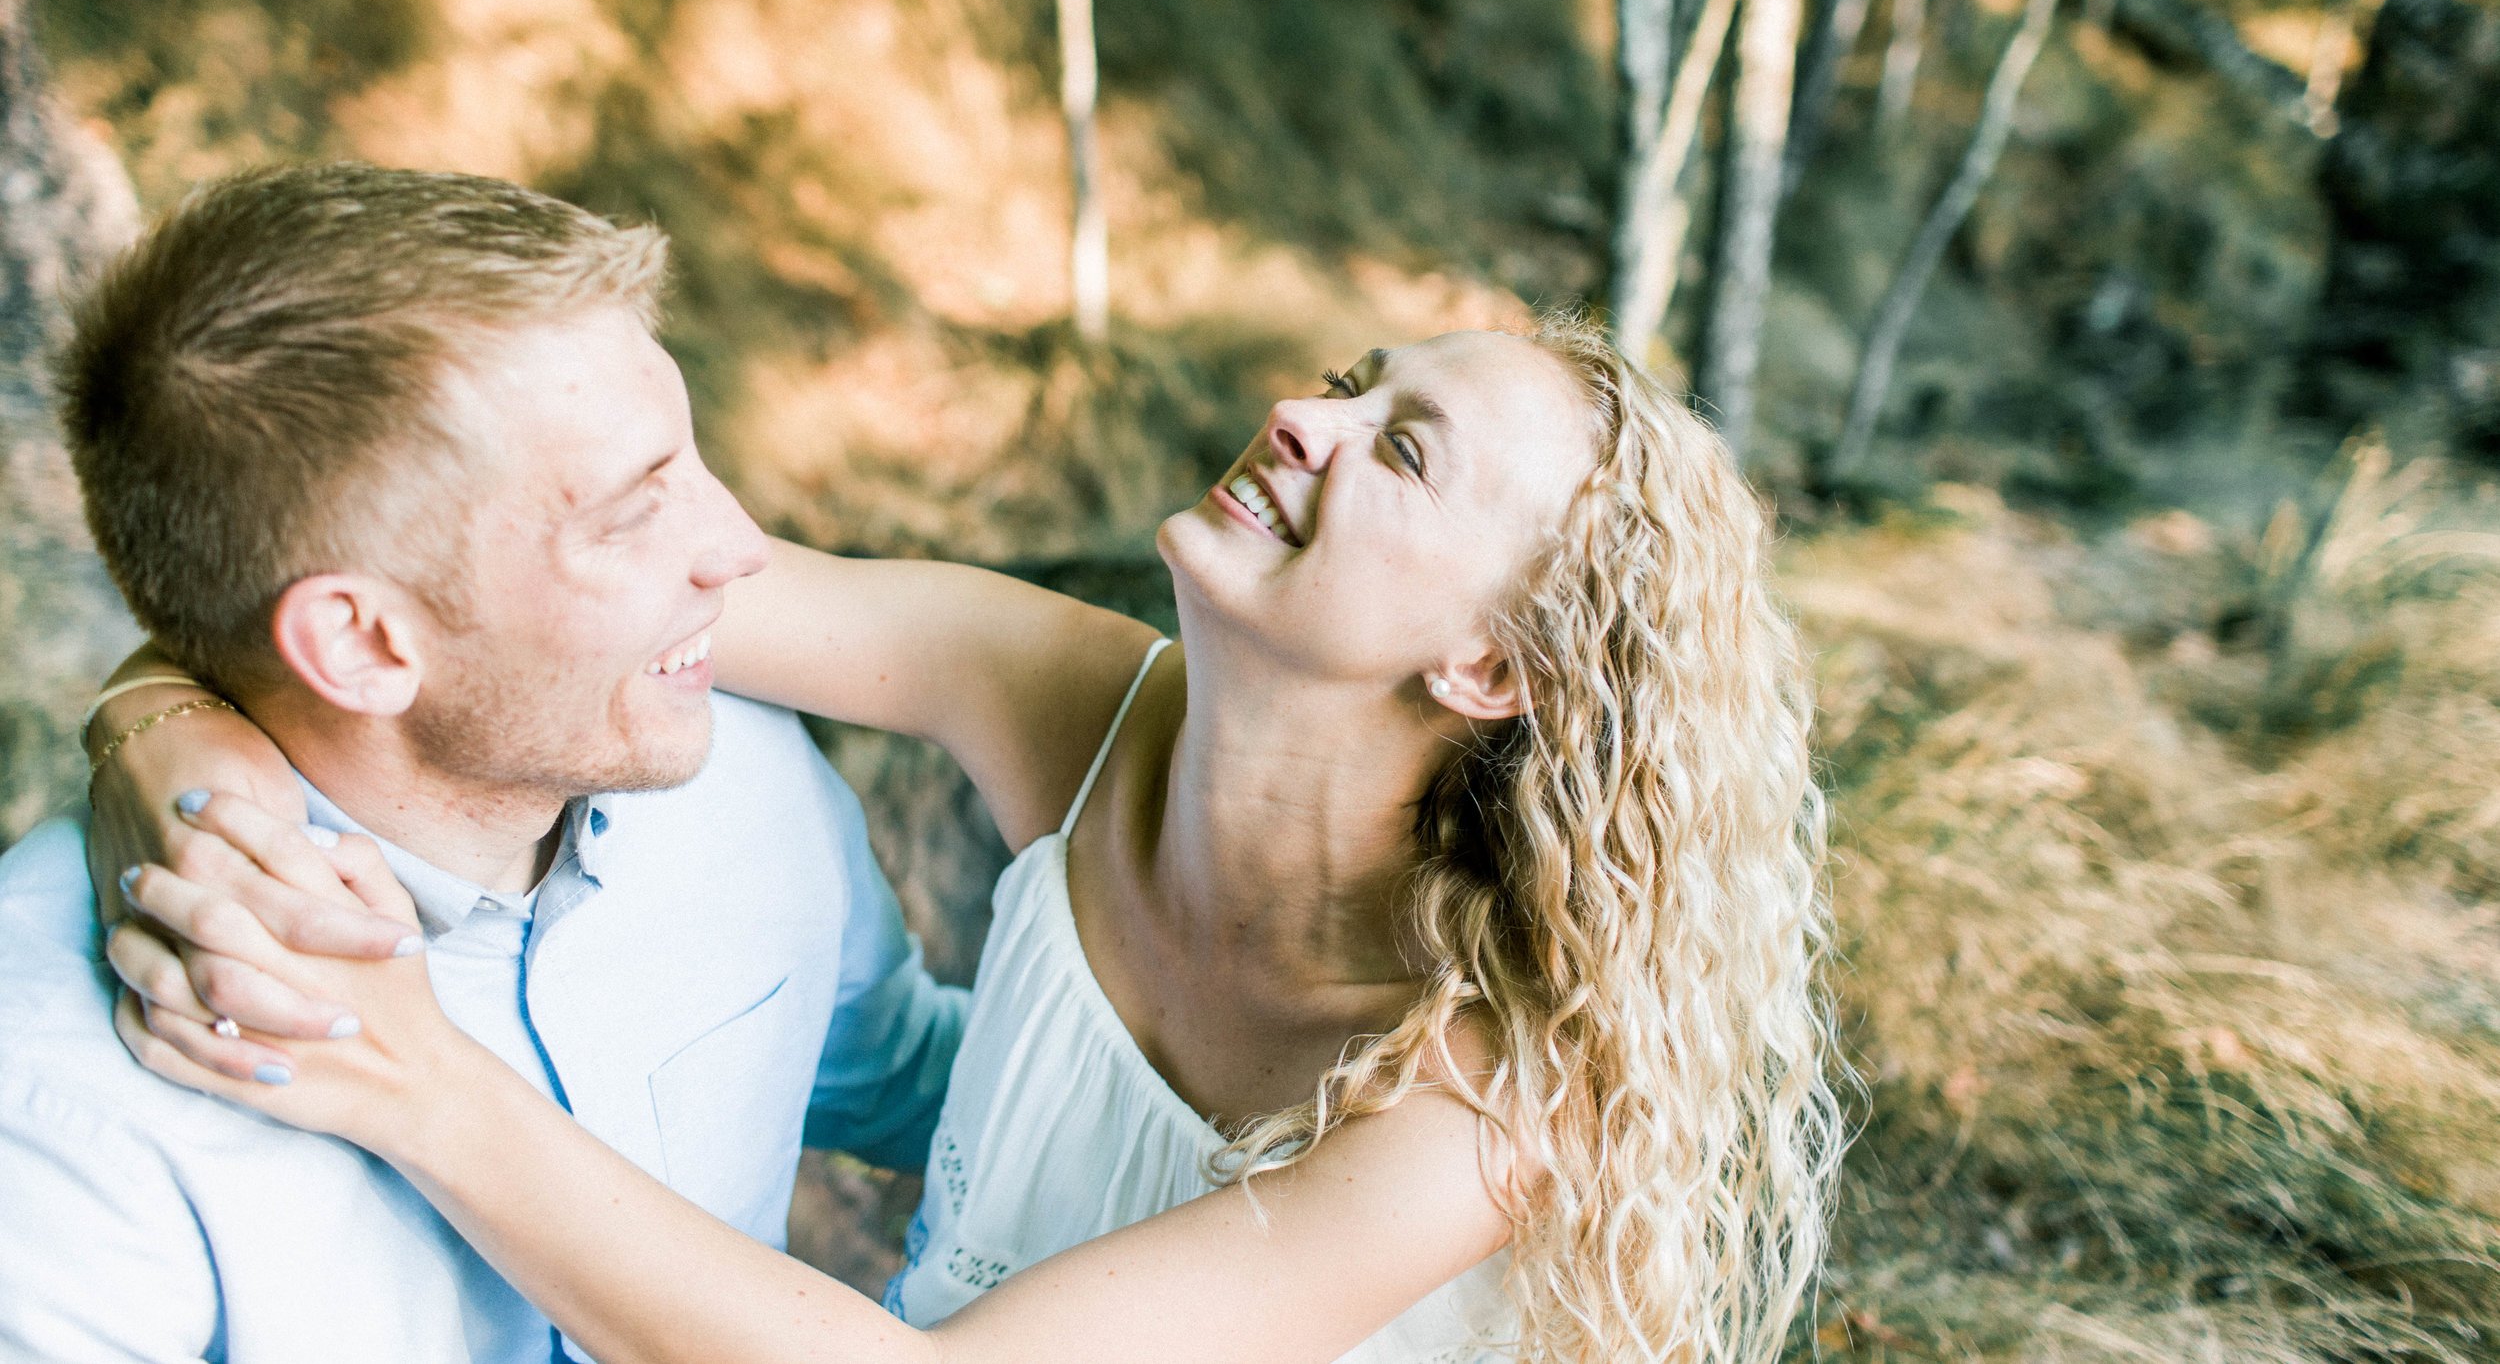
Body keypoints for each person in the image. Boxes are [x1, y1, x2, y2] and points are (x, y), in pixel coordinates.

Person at [96, 302, 1845, 1363]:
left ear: (1490, 663)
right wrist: (161, 733)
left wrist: (405, 1070)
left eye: (1404, 451)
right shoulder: (1069, 696)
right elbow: (542, 595)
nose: (1304, 415)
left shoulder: (1491, 1090)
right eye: (1350, 378)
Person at [2, 163, 968, 1363]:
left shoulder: (736, 771)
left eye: (693, 464)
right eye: (630, 512)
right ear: (362, 643)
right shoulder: (58, 1124)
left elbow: (914, 1081)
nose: (737, 548)